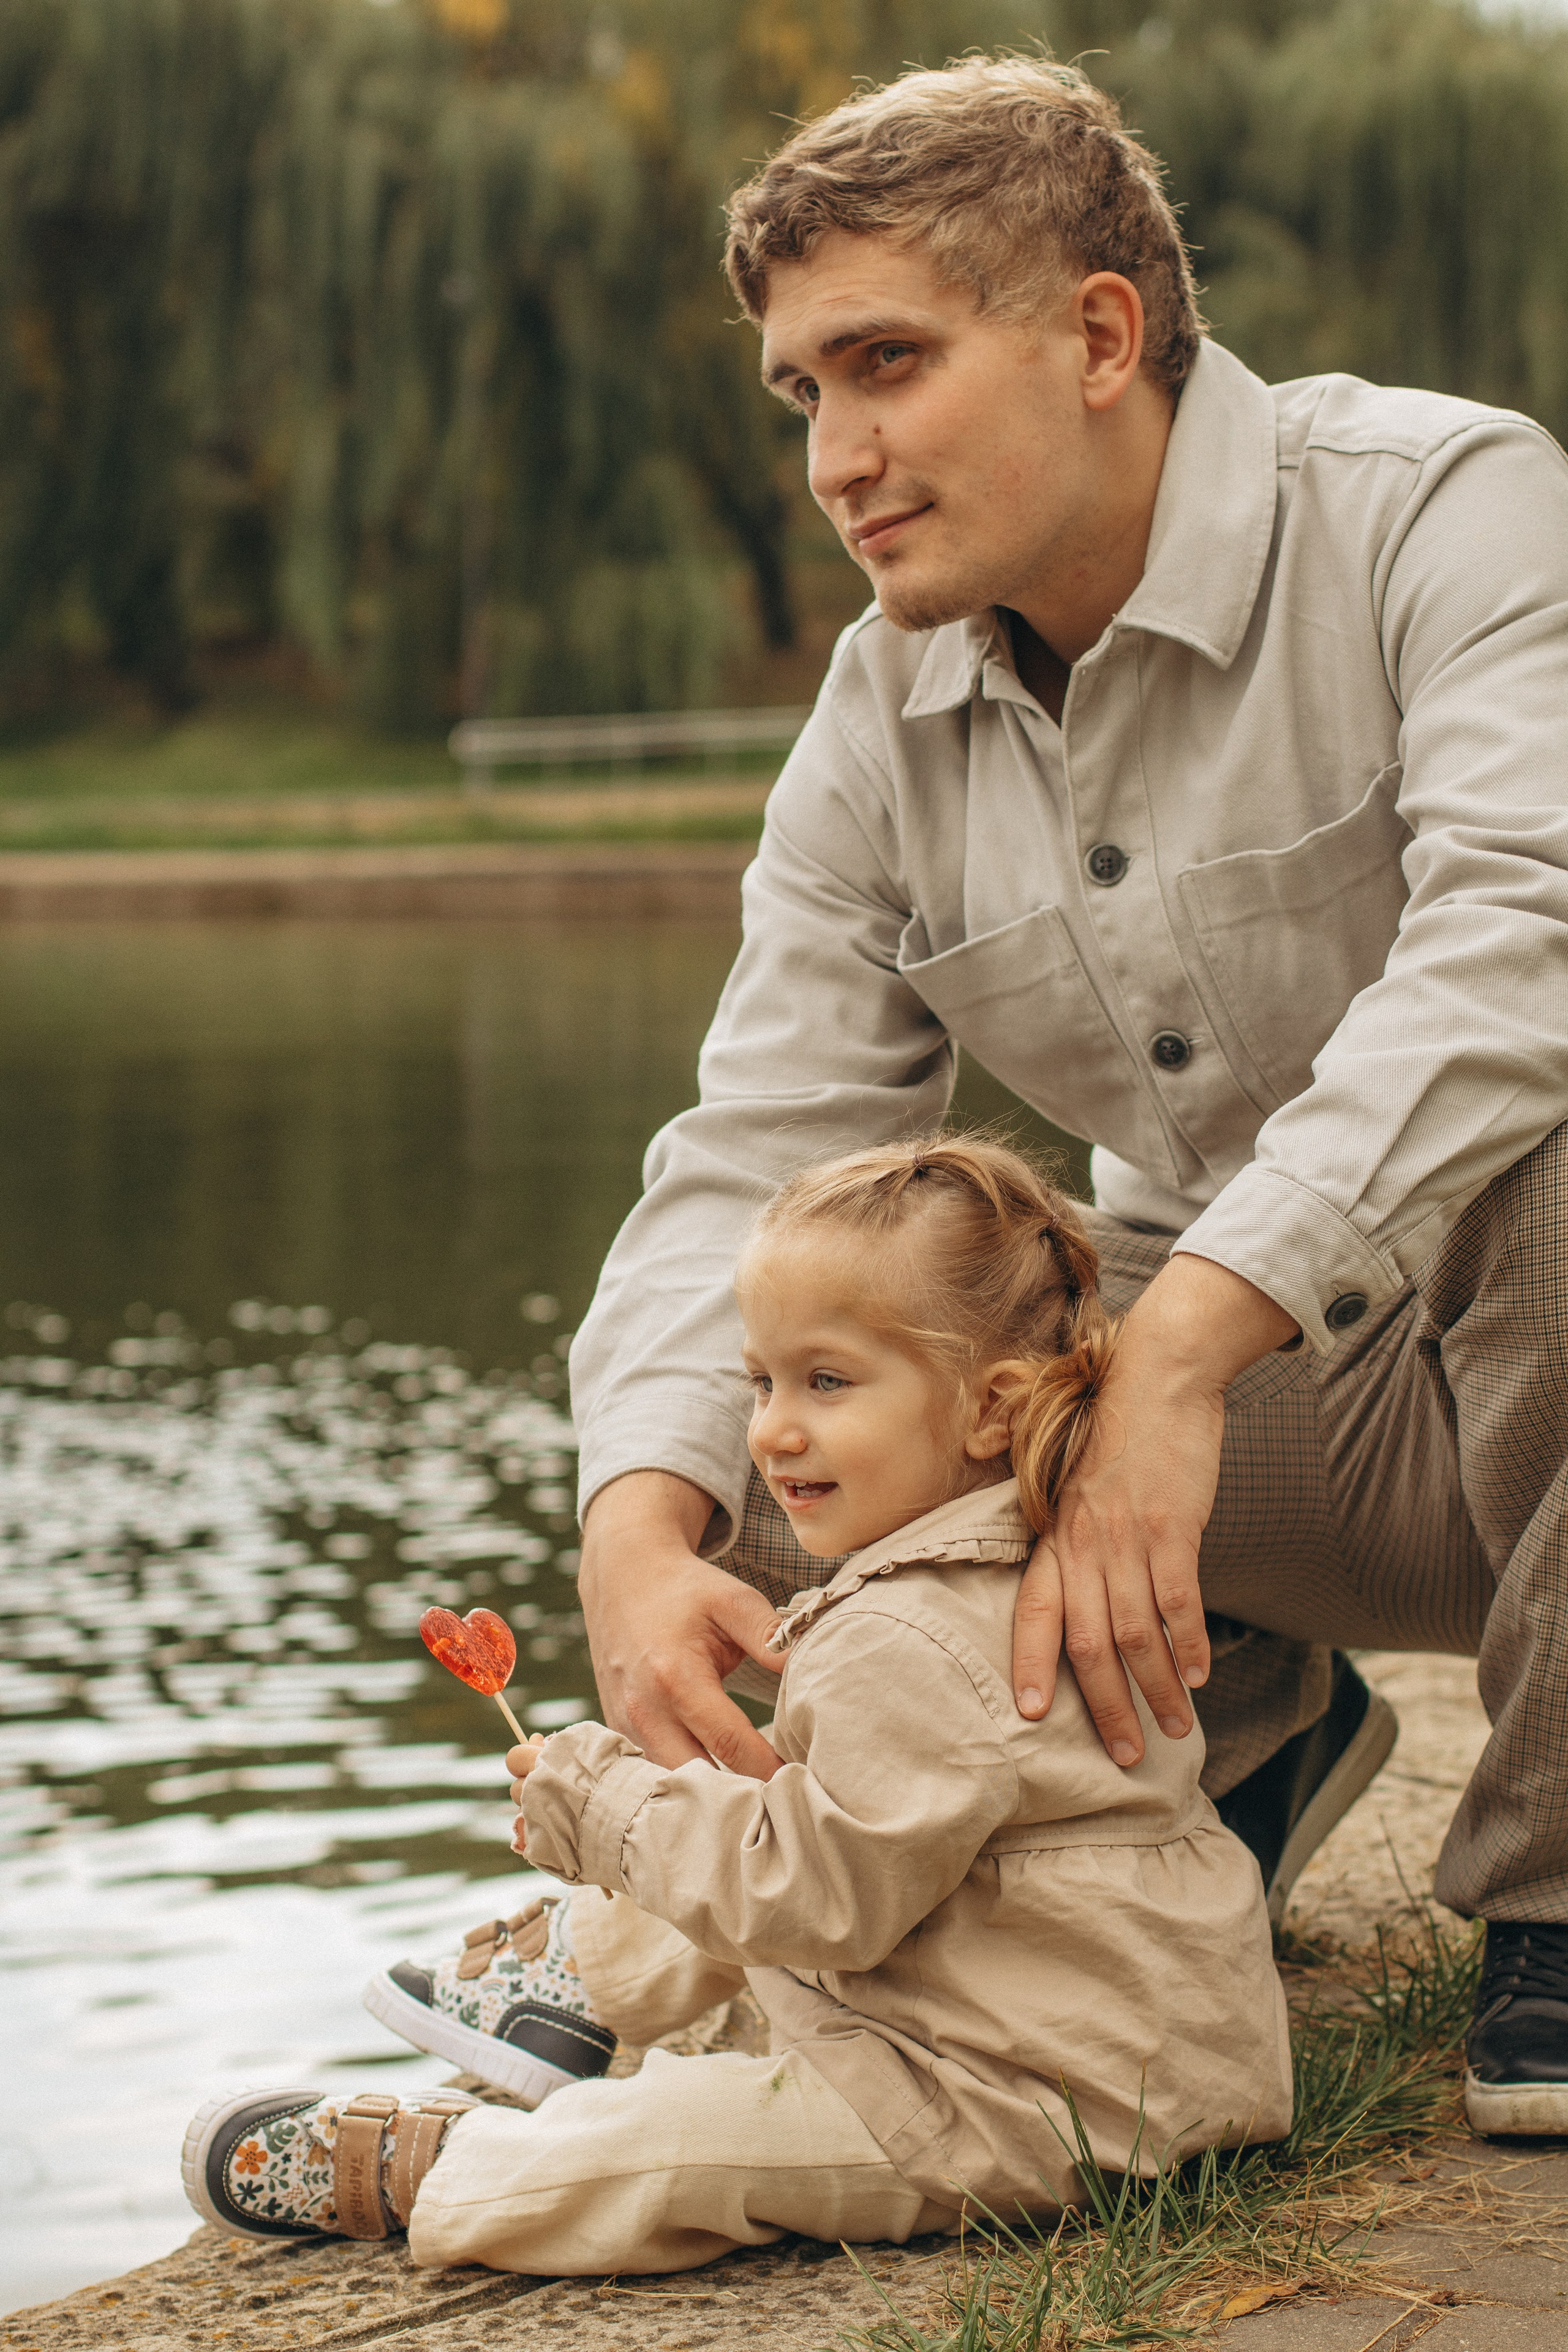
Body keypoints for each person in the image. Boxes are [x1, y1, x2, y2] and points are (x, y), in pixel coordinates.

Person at [567, 53, 1568, 2138]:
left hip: (1509, 1365)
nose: (836, 457)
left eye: (885, 367)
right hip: (1262, 1457)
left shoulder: (1445, 512)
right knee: (804, 1368)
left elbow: (1526, 943)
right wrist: (637, 1532)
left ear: (1099, 334)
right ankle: (1139, 1787)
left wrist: (1190, 1342)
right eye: (800, 397)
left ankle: (1554, 1892)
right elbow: (757, 1140)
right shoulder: (879, 710)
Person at [183, 1138, 1291, 2268]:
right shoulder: (1029, 1560)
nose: (770, 1429)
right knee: (744, 1808)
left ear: (987, 1410)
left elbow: (818, 1903)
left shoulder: (905, 1635)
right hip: (1096, 2024)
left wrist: (608, 1809)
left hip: (1029, 2103)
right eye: (761, 1380)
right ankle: (584, 1989)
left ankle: (454, 2163)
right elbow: (847, 1838)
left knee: (680, 2141)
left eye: (828, 1382)